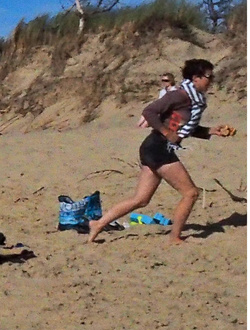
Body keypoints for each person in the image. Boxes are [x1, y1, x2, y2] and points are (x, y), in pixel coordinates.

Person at [91, 59, 237, 245]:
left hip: (154, 148)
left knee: (141, 200)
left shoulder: (192, 99)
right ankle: (175, 237)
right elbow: (150, 111)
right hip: (158, 148)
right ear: (196, 78)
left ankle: (97, 224)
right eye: (209, 76)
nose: (212, 80)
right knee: (190, 193)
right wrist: (166, 132)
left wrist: (211, 131)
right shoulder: (180, 95)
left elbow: (183, 127)